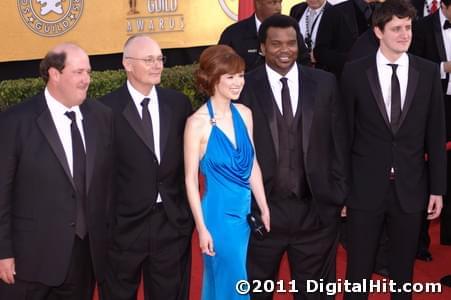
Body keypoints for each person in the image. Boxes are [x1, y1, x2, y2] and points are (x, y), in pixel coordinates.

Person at [341, 0, 447, 299]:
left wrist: (437, 189)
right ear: (378, 31)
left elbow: (436, 135)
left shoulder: (427, 72)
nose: (405, 35)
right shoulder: (354, 73)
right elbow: (343, 136)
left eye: (408, 27)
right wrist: (343, 189)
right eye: (396, 29)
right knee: (358, 272)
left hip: (411, 188)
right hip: (364, 189)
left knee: (403, 274)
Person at [240, 14, 349, 300]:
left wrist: (339, 194)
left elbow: (339, 142)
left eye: (291, 42)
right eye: (276, 44)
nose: (285, 49)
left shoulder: (324, 83)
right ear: (262, 48)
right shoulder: (243, 87)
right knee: (255, 292)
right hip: (262, 214)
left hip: (315, 212)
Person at [0, 43, 114, 300]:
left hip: (84, 257)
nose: (87, 79)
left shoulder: (101, 116)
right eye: (78, 72)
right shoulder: (14, 121)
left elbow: (107, 185)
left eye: (89, 72)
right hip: (29, 260)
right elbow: (2, 193)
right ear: (54, 74)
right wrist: (3, 252)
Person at [99, 35, 193, 300]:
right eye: (148, 60)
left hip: (171, 222)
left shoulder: (178, 103)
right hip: (124, 227)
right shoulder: (105, 109)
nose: (157, 65)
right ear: (127, 64)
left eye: (160, 59)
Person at [184, 44, 270, 300]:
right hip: (218, 218)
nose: (238, 82)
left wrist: (264, 206)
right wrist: (202, 229)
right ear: (213, 79)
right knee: (234, 282)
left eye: (241, 75)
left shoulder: (244, 114)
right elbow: (190, 181)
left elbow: (252, 164)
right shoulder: (197, 123)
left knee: (223, 280)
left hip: (244, 214)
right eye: (230, 77)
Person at [218, 0, 310, 71]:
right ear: (257, 4)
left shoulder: (290, 30)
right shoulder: (234, 34)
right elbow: (220, 68)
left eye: (279, 2)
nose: (278, 8)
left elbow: (304, 63)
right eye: (272, 2)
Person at [290, 0, 354, 77]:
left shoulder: (338, 15)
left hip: (322, 76)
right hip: (296, 71)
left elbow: (346, 57)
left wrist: (319, 55)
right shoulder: (296, 10)